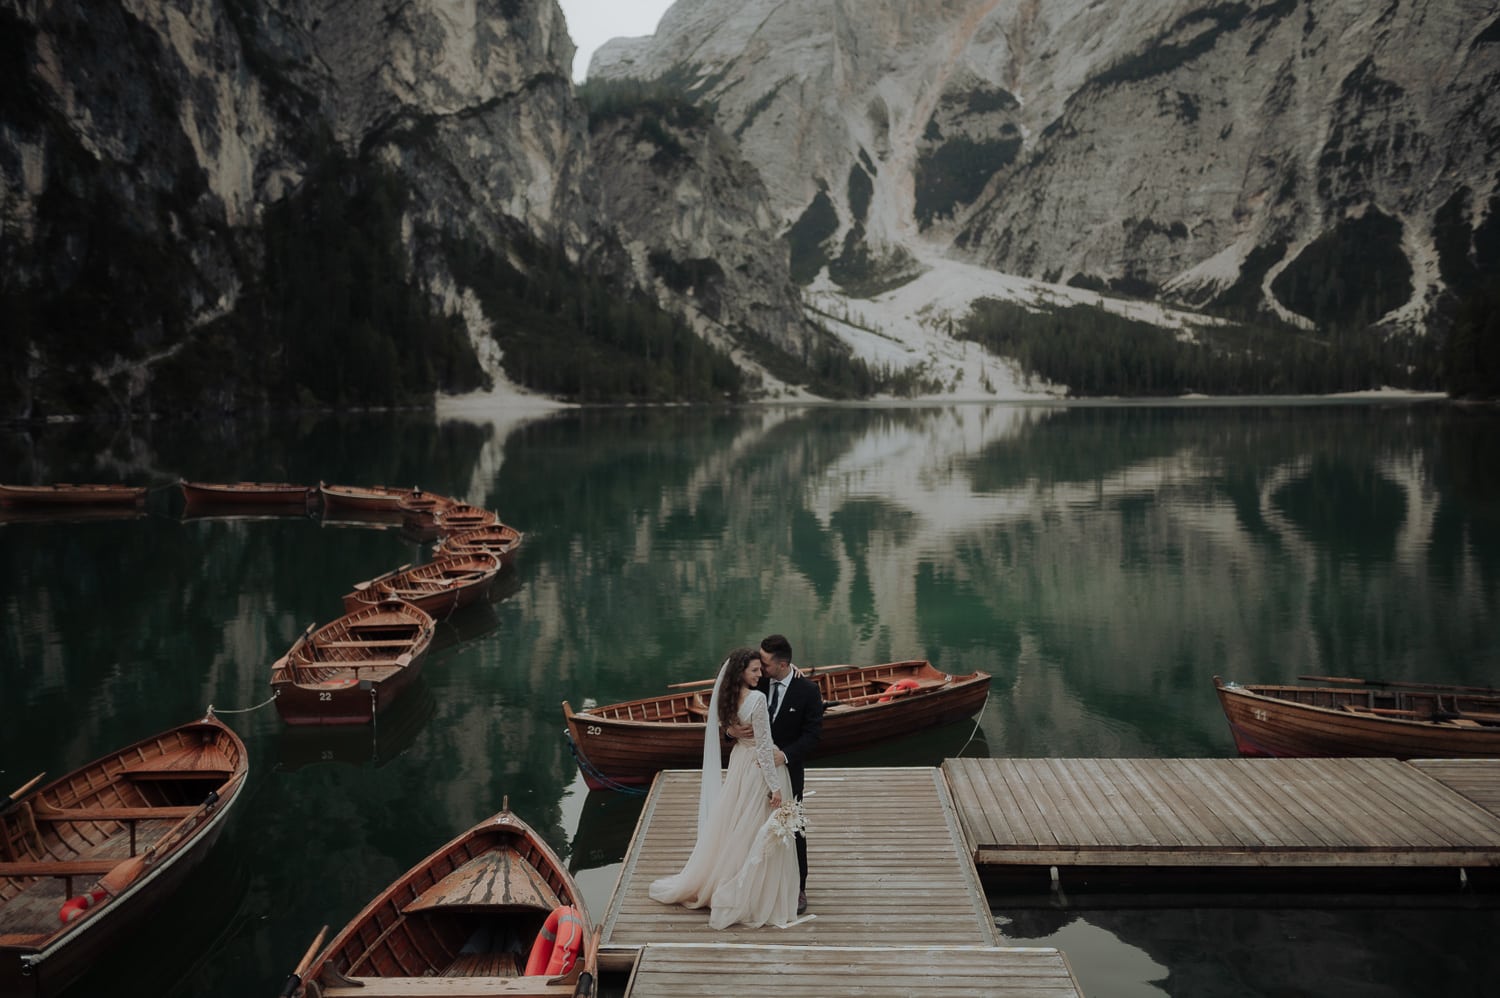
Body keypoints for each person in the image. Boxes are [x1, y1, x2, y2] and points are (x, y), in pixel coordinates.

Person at [647, 647, 800, 929]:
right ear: (741, 672)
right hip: (757, 767)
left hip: (740, 762)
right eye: (754, 670)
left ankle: (723, 877)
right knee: (756, 828)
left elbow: (726, 726)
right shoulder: (757, 698)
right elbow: (765, 748)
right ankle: (749, 892)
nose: (760, 674)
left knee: (737, 823)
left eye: (761, 669)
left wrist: (731, 732)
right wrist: (775, 786)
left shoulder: (727, 698)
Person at [727, 634, 823, 914]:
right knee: (750, 822)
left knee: (792, 827)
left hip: (787, 771)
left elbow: (813, 735)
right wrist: (730, 731)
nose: (760, 667)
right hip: (752, 771)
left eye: (765, 663)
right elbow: (728, 708)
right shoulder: (756, 680)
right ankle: (752, 882)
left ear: (782, 664)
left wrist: (786, 754)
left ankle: (799, 887)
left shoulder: (808, 691)